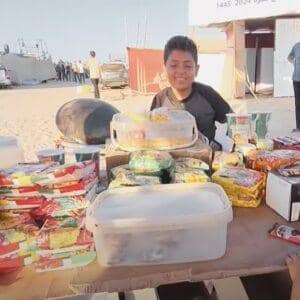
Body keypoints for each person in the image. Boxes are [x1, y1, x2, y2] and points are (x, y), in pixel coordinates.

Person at [151, 35, 232, 146]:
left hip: (205, 158)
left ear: (196, 70)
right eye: (174, 65)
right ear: (165, 69)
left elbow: (233, 120)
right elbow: (152, 131)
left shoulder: (208, 94)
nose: (181, 71)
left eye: (188, 66)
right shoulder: (160, 99)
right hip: (170, 159)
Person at [288, 42, 300, 131]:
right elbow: (289, 57)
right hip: (296, 79)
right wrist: (295, 64)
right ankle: (298, 127)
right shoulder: (296, 46)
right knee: (298, 104)